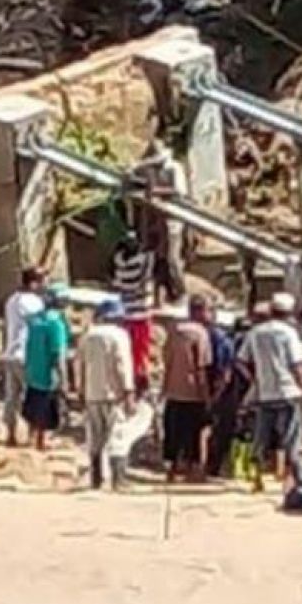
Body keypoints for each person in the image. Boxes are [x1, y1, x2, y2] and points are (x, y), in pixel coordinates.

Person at [238, 292, 302, 494]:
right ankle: (292, 482)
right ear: (289, 313)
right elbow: (298, 366)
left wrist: (255, 380)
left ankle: (257, 479)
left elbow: (241, 361)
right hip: (288, 392)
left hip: (265, 393)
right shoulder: (289, 334)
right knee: (291, 439)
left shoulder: (256, 332)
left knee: (260, 436)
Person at [77, 299, 135, 490]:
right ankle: (118, 479)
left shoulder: (88, 336)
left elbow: (79, 365)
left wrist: (80, 390)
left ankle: (96, 478)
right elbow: (123, 365)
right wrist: (128, 393)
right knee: (117, 436)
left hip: (92, 394)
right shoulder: (120, 336)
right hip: (113, 394)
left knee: (95, 437)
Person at [161, 294, 214, 482]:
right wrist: (206, 396)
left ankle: (172, 469)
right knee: (193, 433)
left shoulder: (174, 330)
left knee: (173, 432)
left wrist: (163, 388)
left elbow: (166, 360)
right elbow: (201, 366)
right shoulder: (201, 334)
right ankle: (193, 470)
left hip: (173, 391)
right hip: (193, 392)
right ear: (199, 312)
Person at [131, 138, 188, 306]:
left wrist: (156, 191)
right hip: (153, 219)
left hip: (171, 220)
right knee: (153, 258)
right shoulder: (148, 169)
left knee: (171, 259)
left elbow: (179, 191)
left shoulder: (174, 168)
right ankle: (157, 297)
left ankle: (179, 292)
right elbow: (135, 177)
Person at [1, 266, 46, 447]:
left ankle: (10, 435)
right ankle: (32, 435)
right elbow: (39, 327)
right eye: (42, 281)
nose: (44, 285)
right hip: (27, 354)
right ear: (34, 283)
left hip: (10, 353)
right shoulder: (34, 302)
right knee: (33, 395)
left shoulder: (11, 300)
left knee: (12, 396)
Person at [21, 287, 70, 451]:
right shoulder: (56, 324)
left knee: (32, 404)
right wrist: (64, 380)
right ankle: (41, 442)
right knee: (46, 409)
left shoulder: (35, 321)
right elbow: (58, 354)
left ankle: (30, 437)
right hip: (47, 375)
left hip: (32, 371)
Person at [111, 230, 155, 395]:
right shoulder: (143, 262)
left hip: (125, 312)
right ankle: (139, 382)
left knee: (128, 350)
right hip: (141, 313)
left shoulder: (119, 263)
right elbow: (147, 273)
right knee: (141, 352)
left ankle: (129, 380)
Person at [200, 302, 235, 474]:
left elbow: (224, 371)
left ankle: (206, 465)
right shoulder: (221, 339)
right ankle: (211, 465)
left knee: (208, 427)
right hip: (217, 389)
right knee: (216, 428)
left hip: (211, 388)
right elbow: (226, 371)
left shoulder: (215, 338)